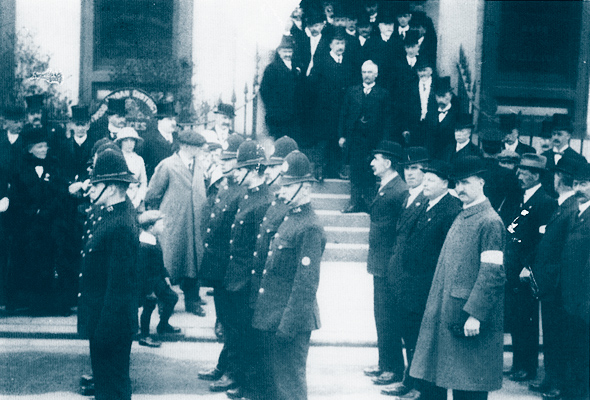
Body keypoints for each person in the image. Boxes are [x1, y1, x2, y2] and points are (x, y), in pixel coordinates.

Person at [410, 155, 507, 400]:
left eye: (466, 183)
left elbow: (492, 274)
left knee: (470, 387)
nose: (460, 188)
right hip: (450, 315)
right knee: (448, 379)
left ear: (481, 182)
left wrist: (475, 314)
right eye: (457, 183)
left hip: (468, 319)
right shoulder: (464, 215)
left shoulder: (490, 221)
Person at [382, 160, 462, 399]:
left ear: (445, 183)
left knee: (425, 342)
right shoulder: (425, 203)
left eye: (431, 180)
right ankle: (411, 380)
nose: (425, 183)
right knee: (411, 336)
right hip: (411, 286)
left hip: (428, 287)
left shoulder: (451, 209)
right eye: (424, 179)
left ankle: (425, 389)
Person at [252, 150, 327, 400]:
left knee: (289, 388)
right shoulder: (290, 217)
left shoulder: (310, 227)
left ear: (305, 187)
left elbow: (305, 285)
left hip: (289, 322)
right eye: (281, 185)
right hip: (272, 316)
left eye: (288, 186)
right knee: (272, 387)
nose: (281, 191)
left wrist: (288, 326)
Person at [77, 148, 139, 400]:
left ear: (112, 187)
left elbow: (118, 287)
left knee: (113, 387)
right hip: (102, 318)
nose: (90, 190)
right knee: (106, 385)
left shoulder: (121, 224)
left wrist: (103, 331)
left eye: (96, 185)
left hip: (111, 324)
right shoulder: (110, 213)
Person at [528, 156, 585, 400]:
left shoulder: (572, 207)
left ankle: (558, 382)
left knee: (560, 339)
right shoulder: (567, 206)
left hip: (560, 287)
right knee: (553, 337)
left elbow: (565, 251)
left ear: (559, 178)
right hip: (553, 286)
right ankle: (553, 379)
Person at [222, 140, 272, 400]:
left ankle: (249, 387)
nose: (235, 172)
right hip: (236, 279)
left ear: (253, 170)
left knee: (248, 338)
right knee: (239, 334)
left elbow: (259, 250)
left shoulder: (263, 201)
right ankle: (242, 381)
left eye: (240, 168)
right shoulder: (248, 195)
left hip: (246, 283)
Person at [198, 134, 247, 390]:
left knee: (232, 324)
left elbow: (236, 237)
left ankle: (233, 372)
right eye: (223, 158)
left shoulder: (241, 191)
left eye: (229, 159)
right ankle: (223, 364)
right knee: (225, 321)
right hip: (218, 268)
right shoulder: (226, 186)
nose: (223, 163)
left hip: (230, 269)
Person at [504, 154, 556, 382]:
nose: (519, 175)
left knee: (528, 320)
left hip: (527, 271)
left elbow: (544, 241)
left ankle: (529, 366)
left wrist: (528, 266)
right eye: (519, 171)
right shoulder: (523, 200)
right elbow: (516, 226)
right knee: (517, 317)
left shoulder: (545, 201)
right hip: (514, 268)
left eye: (524, 172)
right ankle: (518, 364)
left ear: (536, 175)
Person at [145, 130, 208, 317]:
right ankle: (165, 302)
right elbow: (152, 194)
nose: (200, 150)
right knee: (170, 262)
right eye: (197, 147)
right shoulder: (167, 165)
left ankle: (192, 300)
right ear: (186, 146)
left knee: (193, 261)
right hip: (174, 223)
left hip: (195, 223)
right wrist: (161, 216)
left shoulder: (199, 165)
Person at [363, 141, 408, 386]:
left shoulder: (399, 190)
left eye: (376, 159)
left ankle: (393, 368)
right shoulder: (386, 187)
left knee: (389, 317)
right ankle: (384, 363)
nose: (371, 163)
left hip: (389, 265)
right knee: (381, 315)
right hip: (379, 263)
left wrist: (393, 264)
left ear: (388, 163)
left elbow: (400, 231)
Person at [9, 126, 68, 314]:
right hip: (29, 225)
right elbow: (17, 197)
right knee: (30, 262)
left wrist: (47, 211)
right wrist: (33, 211)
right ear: (30, 149)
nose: (44, 150)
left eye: (45, 146)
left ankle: (52, 305)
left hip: (51, 224)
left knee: (51, 263)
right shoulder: (20, 167)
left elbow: (60, 192)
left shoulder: (55, 164)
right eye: (40, 147)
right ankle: (31, 304)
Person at [339, 60, 393, 213]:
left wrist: (384, 142)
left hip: (374, 140)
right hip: (355, 139)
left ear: (376, 74)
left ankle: (370, 203)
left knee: (371, 171)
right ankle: (354, 202)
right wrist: (342, 136)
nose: (367, 75)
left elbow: (387, 119)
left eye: (370, 72)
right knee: (355, 170)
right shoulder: (352, 91)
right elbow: (343, 114)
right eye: (364, 72)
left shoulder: (383, 93)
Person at [558, 162, 590, 400]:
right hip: (569, 296)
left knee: (582, 352)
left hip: (584, 299)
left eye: (585, 184)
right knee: (571, 349)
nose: (579, 189)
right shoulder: (577, 213)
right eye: (577, 184)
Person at [136, 210, 180, 348]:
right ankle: (144, 335)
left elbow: (159, 263)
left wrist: (165, 275)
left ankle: (163, 325)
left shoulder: (153, 239)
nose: (163, 227)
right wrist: (149, 291)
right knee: (148, 307)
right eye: (160, 224)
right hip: (148, 284)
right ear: (150, 228)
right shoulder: (144, 245)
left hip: (157, 280)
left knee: (172, 298)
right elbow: (142, 271)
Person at [260, 36, 302, 141]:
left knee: (291, 141)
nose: (288, 54)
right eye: (285, 51)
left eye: (290, 51)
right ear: (279, 51)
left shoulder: (296, 66)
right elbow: (264, 90)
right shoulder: (272, 68)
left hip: (293, 114)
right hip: (278, 115)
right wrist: (274, 107)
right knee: (279, 141)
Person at [541, 114, 587, 198]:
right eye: (554, 134)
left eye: (559, 134)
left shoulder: (578, 159)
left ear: (568, 136)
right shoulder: (543, 156)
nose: (555, 137)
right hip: (544, 201)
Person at [141, 101, 176, 179]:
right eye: (169, 119)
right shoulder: (148, 139)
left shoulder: (178, 138)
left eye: (174, 119)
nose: (173, 123)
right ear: (159, 121)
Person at [115, 127, 148, 209]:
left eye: (132, 140)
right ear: (120, 142)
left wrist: (137, 200)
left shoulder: (139, 159)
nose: (129, 143)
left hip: (136, 198)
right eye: (126, 140)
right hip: (118, 198)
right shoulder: (116, 157)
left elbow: (143, 182)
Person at [429, 77, 459, 159]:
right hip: (432, 155)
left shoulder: (457, 114)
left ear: (451, 95)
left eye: (444, 96)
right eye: (438, 97)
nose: (441, 100)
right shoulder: (430, 113)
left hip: (449, 155)